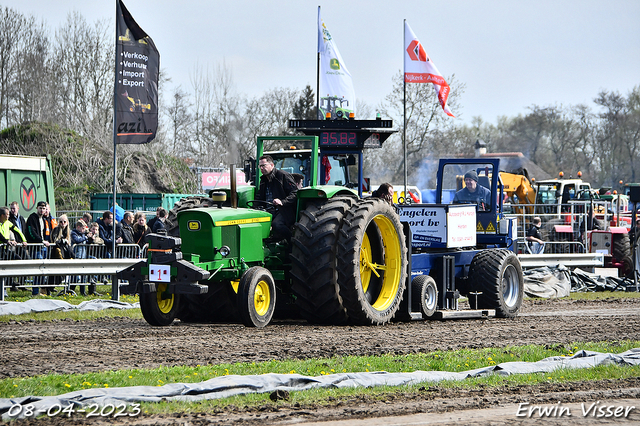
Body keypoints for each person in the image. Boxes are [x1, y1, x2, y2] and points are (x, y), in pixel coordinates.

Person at [255, 154, 298, 241]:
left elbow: (295, 192)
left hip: (282, 210)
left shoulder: (282, 176)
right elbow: (259, 197)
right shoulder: (263, 180)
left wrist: (282, 202)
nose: (262, 168)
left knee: (277, 225)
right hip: (267, 209)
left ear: (272, 165)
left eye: (264, 165)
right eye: (260, 166)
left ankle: (292, 242)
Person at [26, 201, 50, 295]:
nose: (42, 210)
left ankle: (41, 290)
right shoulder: (32, 218)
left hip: (43, 247)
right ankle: (35, 291)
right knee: (38, 269)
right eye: (40, 208)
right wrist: (41, 241)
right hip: (35, 247)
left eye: (44, 208)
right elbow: (31, 232)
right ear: (37, 208)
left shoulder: (44, 220)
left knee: (42, 270)